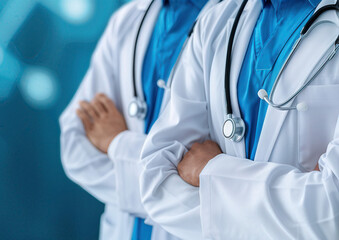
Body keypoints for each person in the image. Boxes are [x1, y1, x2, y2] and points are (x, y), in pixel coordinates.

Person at [139, 0, 339, 238]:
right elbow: (156, 181)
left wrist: (211, 172)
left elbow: (331, 211)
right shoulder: (216, 22)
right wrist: (294, 206)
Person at [59, 0, 220, 239]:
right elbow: (75, 146)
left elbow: (222, 190)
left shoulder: (229, 22)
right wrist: (173, 191)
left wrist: (116, 144)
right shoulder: (128, 19)